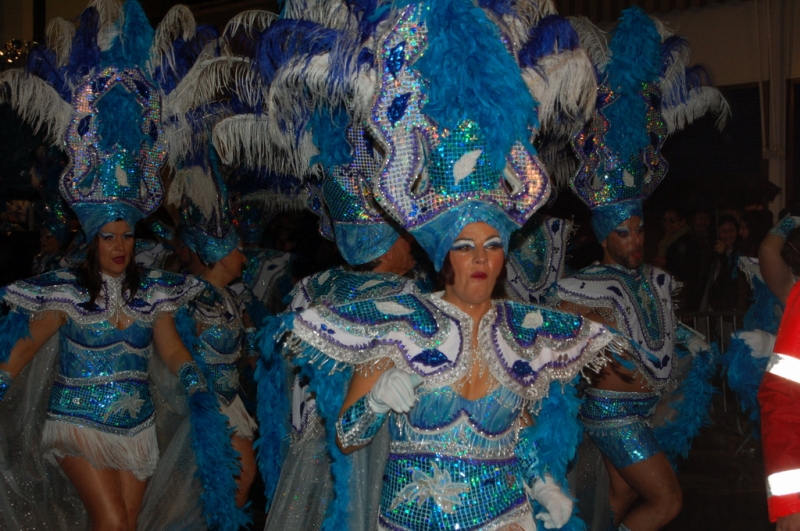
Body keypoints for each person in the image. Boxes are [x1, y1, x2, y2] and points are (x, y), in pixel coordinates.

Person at [256, 2, 614, 529]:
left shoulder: (524, 335)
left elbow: (521, 435)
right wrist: (375, 403)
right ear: (442, 253)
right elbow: (347, 435)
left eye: (492, 245)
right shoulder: (399, 322)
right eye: (466, 246)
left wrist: (542, 484)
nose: (480, 260)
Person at [0, 3, 248, 529]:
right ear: (93, 242)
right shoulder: (66, 292)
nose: (119, 246)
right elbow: (23, 349)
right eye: (108, 237)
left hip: (137, 428)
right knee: (112, 523)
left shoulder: (155, 290)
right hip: (77, 425)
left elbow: (173, 347)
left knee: (125, 525)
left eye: (126, 236)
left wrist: (195, 381)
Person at [553, 8, 723, 530]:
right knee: (667, 502)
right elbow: (571, 349)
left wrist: (696, 344)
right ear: (604, 236)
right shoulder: (583, 285)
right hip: (612, 415)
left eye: (640, 229)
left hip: (642, 411)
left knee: (619, 505)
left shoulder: (654, 280)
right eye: (623, 232)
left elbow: (660, 334)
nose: (635, 240)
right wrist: (604, 353)